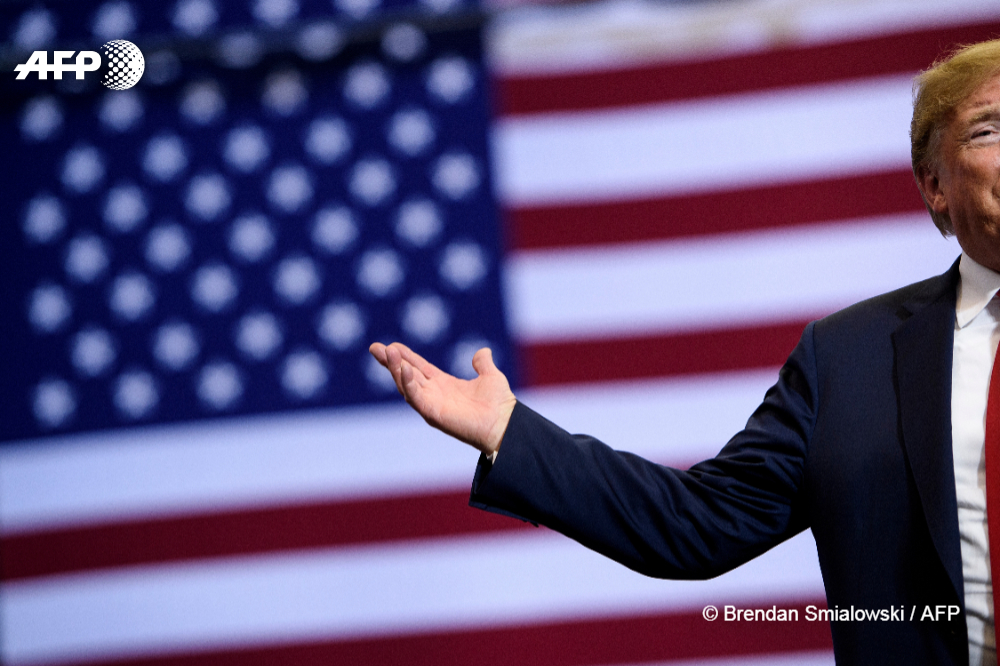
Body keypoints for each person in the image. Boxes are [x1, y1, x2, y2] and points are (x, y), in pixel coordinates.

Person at [369, 38, 1000, 665]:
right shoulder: (849, 359)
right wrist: (507, 432)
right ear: (935, 185)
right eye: (988, 130)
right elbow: (695, 523)